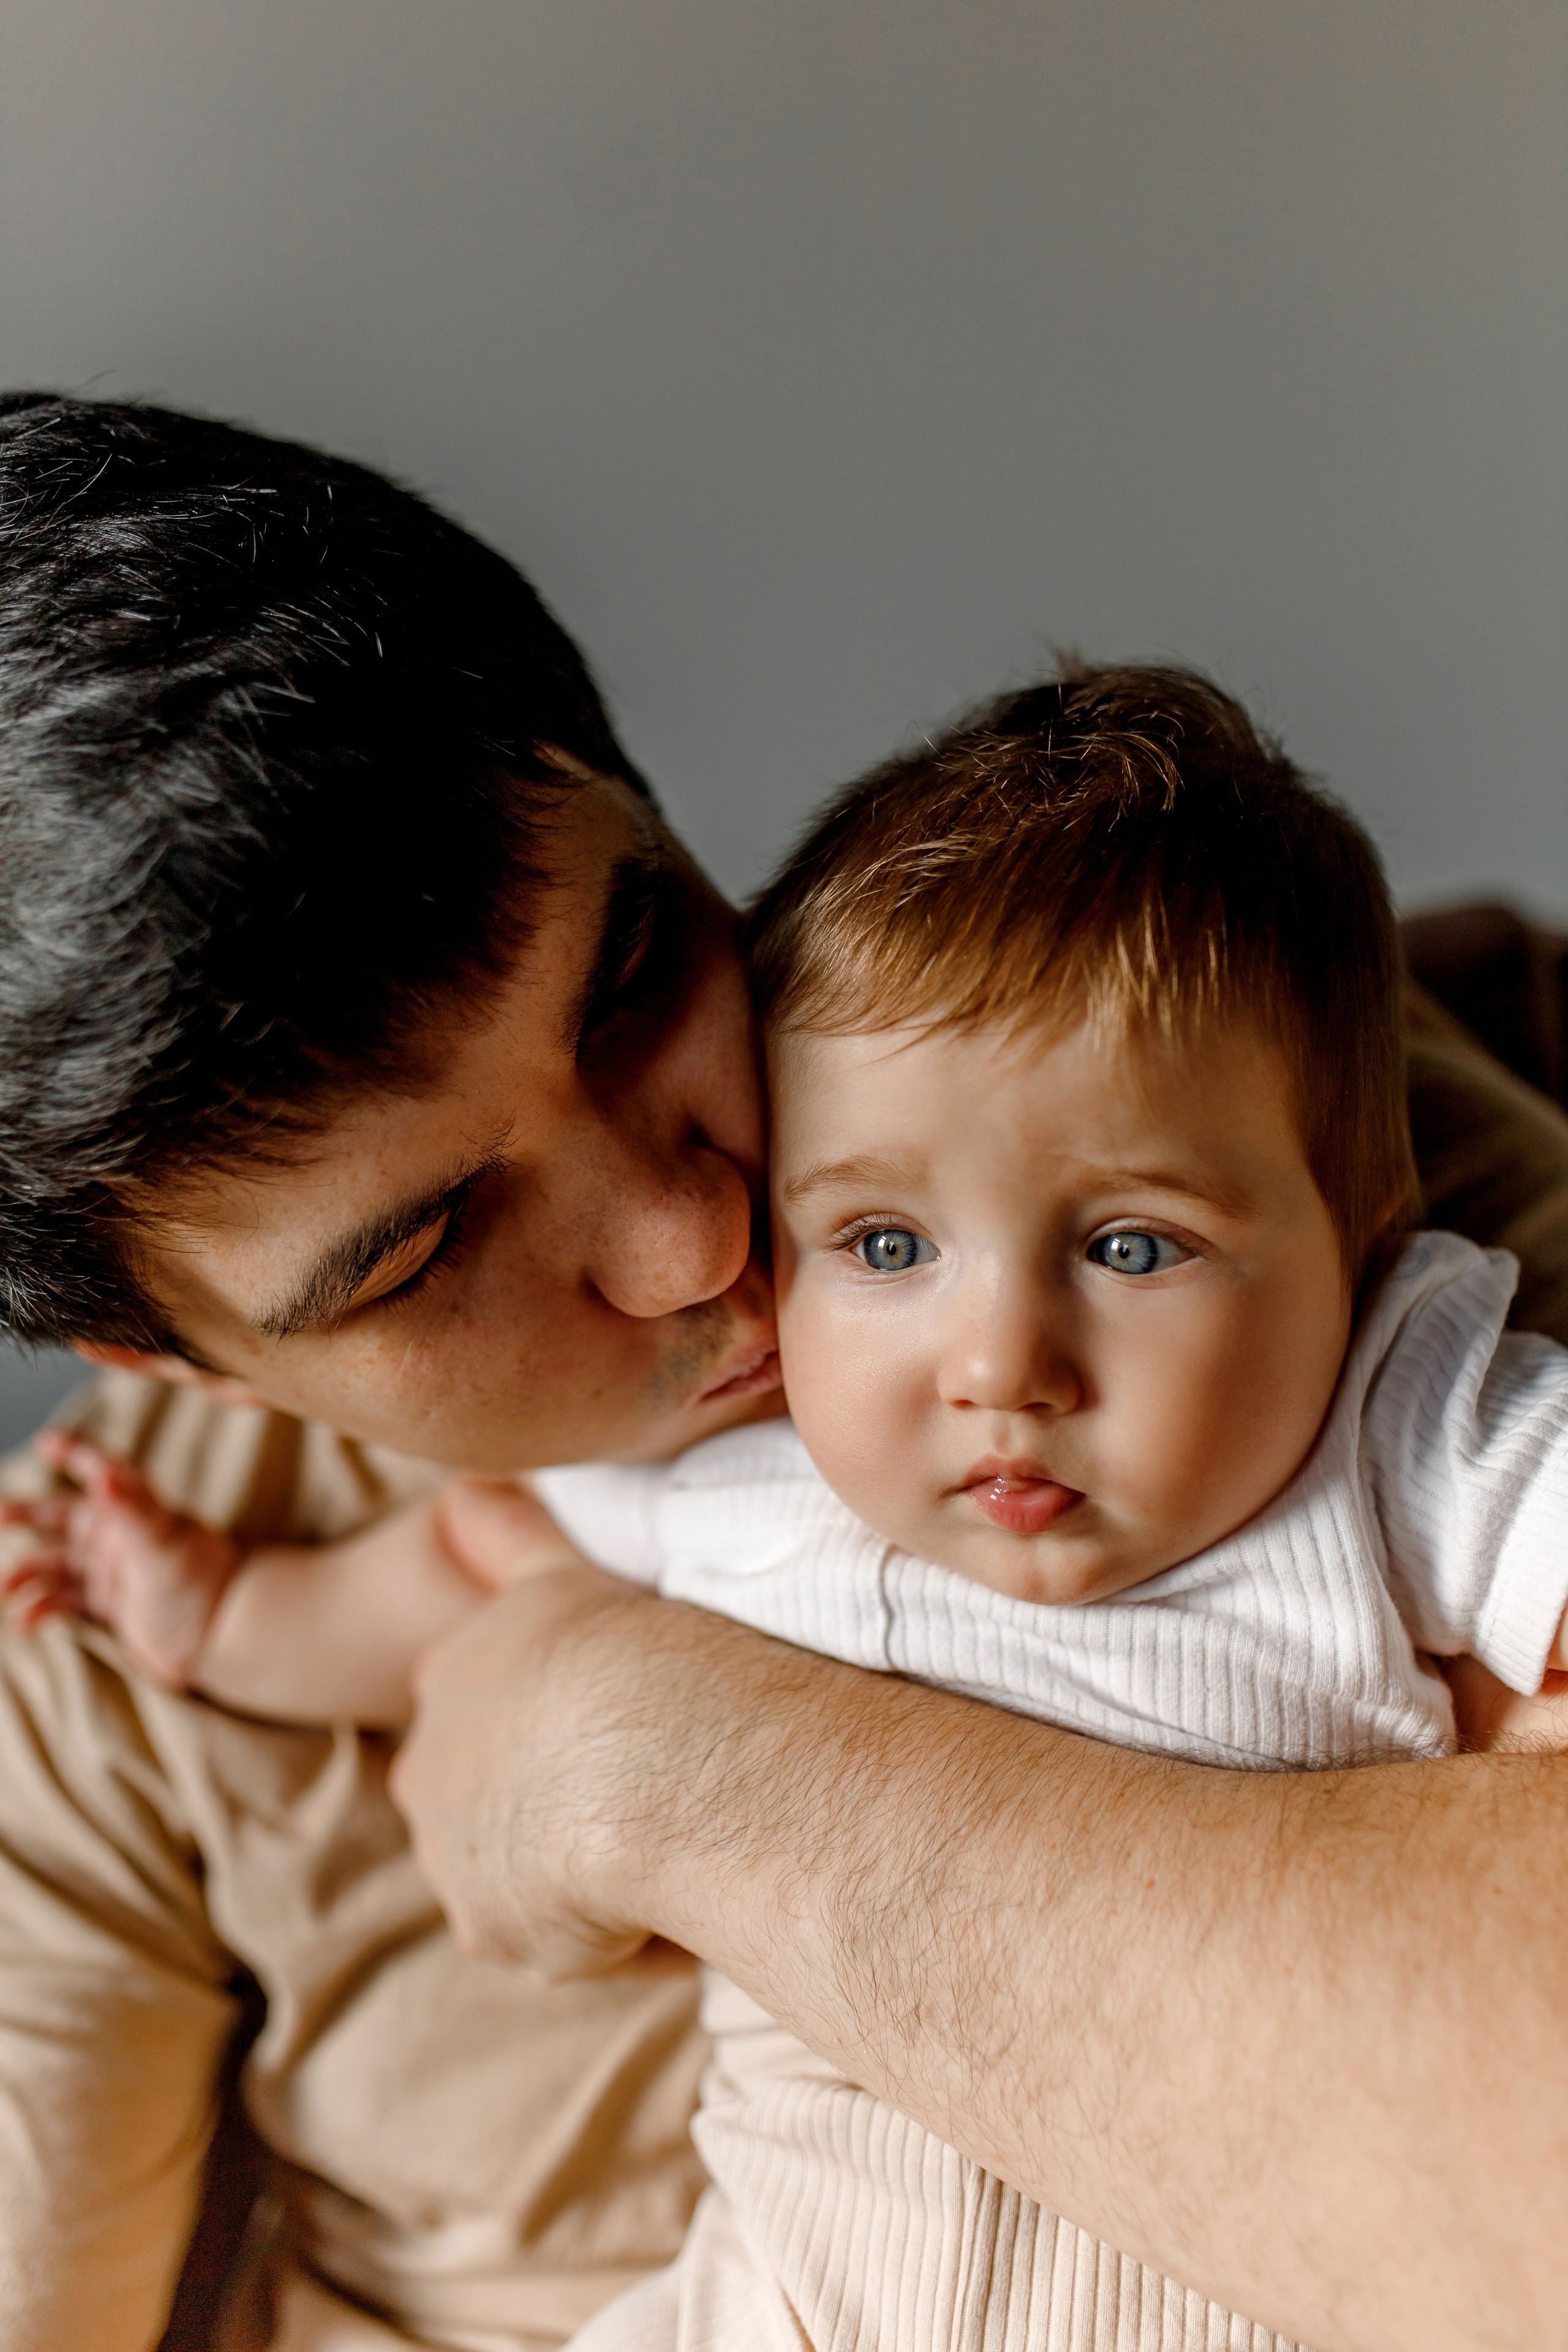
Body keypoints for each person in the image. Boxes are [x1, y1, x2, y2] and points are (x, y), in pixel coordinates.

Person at [0, 394, 1564, 2351]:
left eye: (638, 973)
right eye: (423, 1250)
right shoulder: (82, 1646)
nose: (698, 1244)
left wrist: (644, 1751)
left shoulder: (1246, 1154)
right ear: (172, 1362)